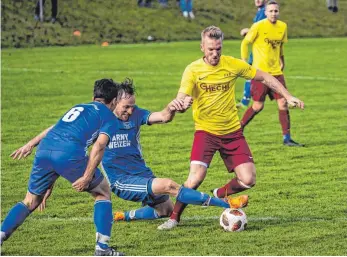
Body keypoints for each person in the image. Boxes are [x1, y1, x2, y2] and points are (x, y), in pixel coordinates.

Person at [8, 79, 247, 225]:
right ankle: (225, 203)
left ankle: (125, 216)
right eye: (126, 106)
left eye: (133, 105)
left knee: (164, 210)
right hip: (122, 181)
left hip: (142, 174)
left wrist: (172, 108)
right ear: (114, 103)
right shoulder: (99, 119)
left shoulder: (135, 113)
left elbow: (162, 117)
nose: (130, 111)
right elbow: (59, 133)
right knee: (169, 185)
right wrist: (34, 149)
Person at [157, 25, 305, 230]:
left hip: (232, 133)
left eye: (218, 48)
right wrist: (180, 104)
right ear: (202, 47)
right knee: (195, 178)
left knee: (248, 179)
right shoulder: (193, 70)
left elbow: (266, 77)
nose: (215, 53)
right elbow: (182, 96)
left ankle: (220, 193)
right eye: (210, 49)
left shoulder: (232, 64)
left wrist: (288, 96)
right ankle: (174, 218)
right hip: (205, 132)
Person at [1, 79, 126, 256]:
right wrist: (87, 176)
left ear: (94, 97)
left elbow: (55, 128)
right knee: (102, 191)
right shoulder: (109, 118)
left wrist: (31, 144)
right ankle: (103, 248)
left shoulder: (79, 107)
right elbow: (98, 147)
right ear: (114, 101)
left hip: (44, 150)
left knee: (30, 201)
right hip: (68, 153)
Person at [240, 0, 304, 147]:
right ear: (266, 12)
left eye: (276, 11)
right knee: (258, 106)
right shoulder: (258, 26)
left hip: (276, 72)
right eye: (271, 11)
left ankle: (287, 138)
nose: (273, 13)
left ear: (278, 12)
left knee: (283, 103)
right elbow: (245, 42)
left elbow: (280, 46)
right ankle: (239, 128)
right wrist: (244, 61)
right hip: (260, 73)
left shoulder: (283, 26)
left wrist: (282, 60)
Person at [237, 0, 267, 108]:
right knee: (250, 73)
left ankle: (247, 102)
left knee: (252, 73)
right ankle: (245, 101)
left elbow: (262, 30)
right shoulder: (261, 11)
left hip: (260, 50)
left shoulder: (265, 12)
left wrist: (247, 31)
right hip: (257, 48)